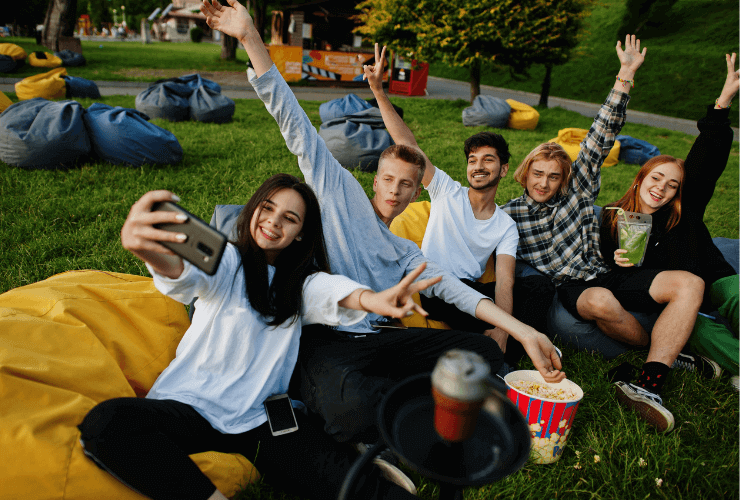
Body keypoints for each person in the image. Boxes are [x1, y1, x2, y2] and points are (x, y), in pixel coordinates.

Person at [199, 0, 565, 448]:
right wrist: (250, 38)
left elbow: (457, 291)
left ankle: (439, 401)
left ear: (416, 192)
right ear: (376, 180)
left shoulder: (405, 254)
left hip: (373, 341)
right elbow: (293, 122)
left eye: (406, 185)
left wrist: (522, 331)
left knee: (484, 350)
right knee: (353, 403)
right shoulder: (339, 193)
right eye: (389, 179)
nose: (395, 190)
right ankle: (398, 415)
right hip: (321, 339)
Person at [77, 174, 442, 500]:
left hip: (263, 421)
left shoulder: (300, 285)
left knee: (351, 484)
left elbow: (332, 291)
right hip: (193, 407)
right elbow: (185, 273)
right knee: (108, 423)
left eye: (289, 218)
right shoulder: (228, 262)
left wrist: (374, 298)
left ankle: (358, 455)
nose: (273, 222)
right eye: (267, 208)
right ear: (253, 209)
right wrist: (150, 253)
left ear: (300, 232)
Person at [502, 36, 706, 433]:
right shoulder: (507, 215)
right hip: (572, 288)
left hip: (607, 270)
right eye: (537, 173)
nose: (544, 182)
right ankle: (663, 353)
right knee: (600, 300)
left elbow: (600, 135)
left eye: (553, 175)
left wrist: (624, 76)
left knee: (690, 284)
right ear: (524, 172)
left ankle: (647, 383)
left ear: (564, 179)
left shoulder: (575, 192)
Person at [362, 43, 556, 368]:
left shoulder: (505, 224)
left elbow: (505, 281)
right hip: (437, 288)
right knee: (476, 301)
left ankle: (504, 346)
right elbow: (407, 145)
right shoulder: (445, 190)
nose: (478, 166)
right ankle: (505, 357)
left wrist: (502, 327)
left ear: (504, 169)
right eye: (473, 160)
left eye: (488, 160)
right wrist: (380, 92)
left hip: (475, 290)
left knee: (538, 286)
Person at [601, 53, 739, 381]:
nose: (662, 189)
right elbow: (606, 267)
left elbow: (707, 158)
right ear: (641, 178)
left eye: (672, 184)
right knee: (700, 332)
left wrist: (723, 103)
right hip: (672, 297)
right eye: (656, 179)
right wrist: (619, 260)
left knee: (737, 290)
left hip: (712, 278)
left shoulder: (684, 209)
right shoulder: (613, 216)